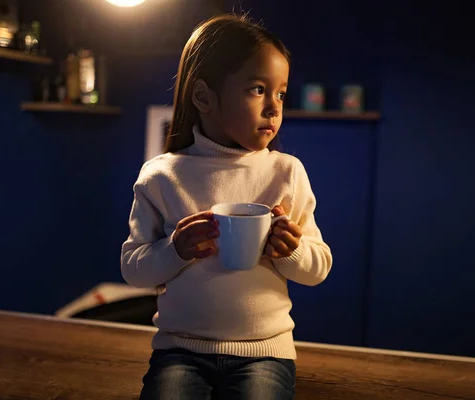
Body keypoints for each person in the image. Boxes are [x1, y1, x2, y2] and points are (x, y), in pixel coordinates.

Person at [121, 13, 333, 400]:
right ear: (204, 97)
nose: (274, 108)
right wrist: (175, 250)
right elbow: (133, 270)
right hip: (179, 350)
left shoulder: (286, 172)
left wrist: (293, 251)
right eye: (257, 89)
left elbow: (318, 267)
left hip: (265, 353)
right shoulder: (161, 176)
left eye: (281, 93)